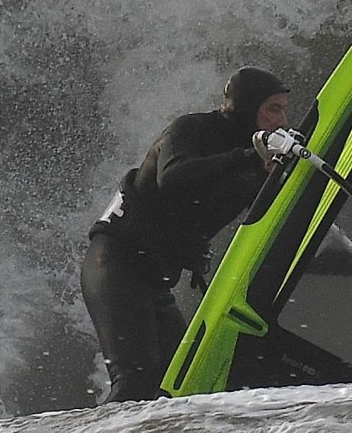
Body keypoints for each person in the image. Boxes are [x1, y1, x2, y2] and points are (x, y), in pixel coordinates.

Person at [82, 66, 301, 403]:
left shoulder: (255, 170)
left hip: (153, 280)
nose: (282, 121)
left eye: (284, 110)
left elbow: (282, 237)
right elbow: (172, 177)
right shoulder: (193, 128)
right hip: (116, 262)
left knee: (181, 389)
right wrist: (245, 156)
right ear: (247, 106)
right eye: (273, 109)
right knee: (135, 381)